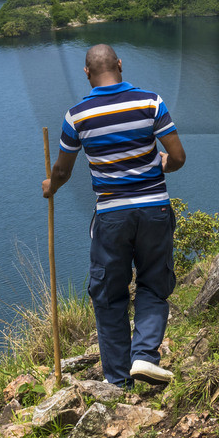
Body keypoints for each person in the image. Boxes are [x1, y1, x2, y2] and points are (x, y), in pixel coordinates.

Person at [43, 43, 186, 387]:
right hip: (154, 209)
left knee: (108, 294)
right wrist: (161, 164)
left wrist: (51, 186)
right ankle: (145, 356)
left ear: (87, 73)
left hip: (111, 215)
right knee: (153, 283)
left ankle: (119, 380)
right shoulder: (150, 102)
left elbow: (62, 172)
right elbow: (177, 156)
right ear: (120, 65)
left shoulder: (77, 115)